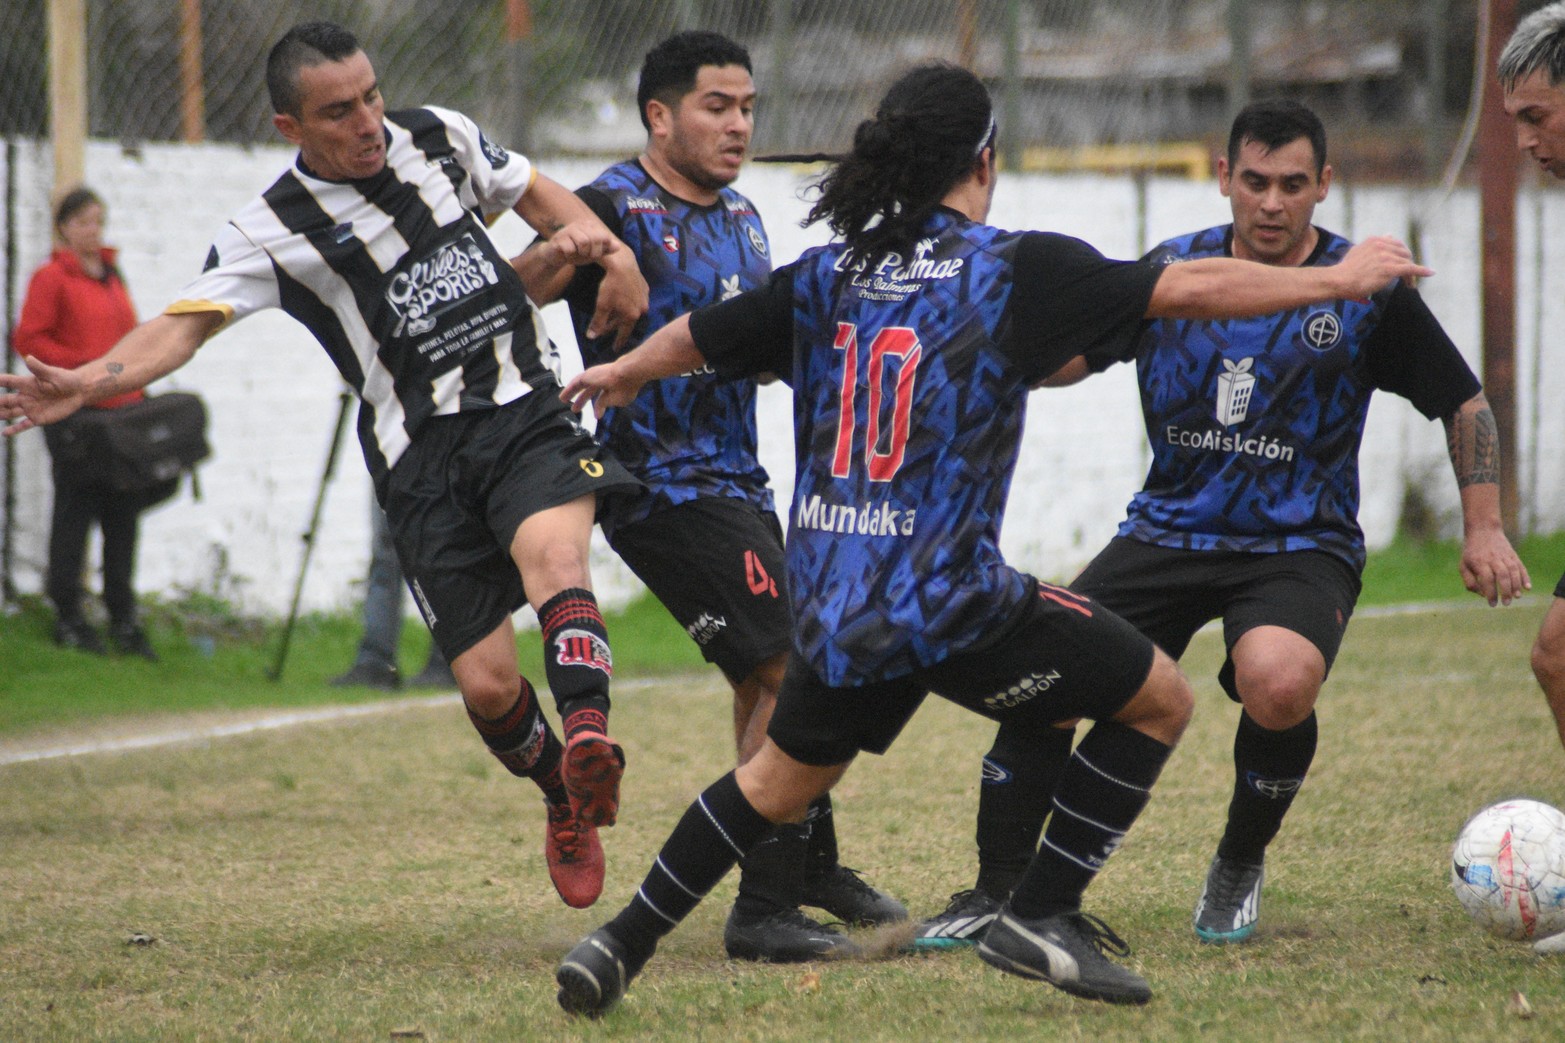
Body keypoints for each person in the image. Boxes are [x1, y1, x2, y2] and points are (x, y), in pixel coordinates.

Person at [549, 64, 1432, 1016]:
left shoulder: (827, 274)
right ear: (984, 158)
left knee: (769, 781)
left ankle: (616, 944)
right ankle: (1040, 912)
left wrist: (626, 370)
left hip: (840, 604)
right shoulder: (1009, 268)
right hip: (951, 598)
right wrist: (1336, 278)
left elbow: (705, 332)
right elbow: (1191, 287)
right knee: (1160, 700)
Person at [0, 22, 649, 912]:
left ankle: (587, 737)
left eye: (372, 95)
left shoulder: (440, 136)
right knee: (490, 686)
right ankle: (561, 793)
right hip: (420, 461)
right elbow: (181, 327)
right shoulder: (269, 231)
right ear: (289, 126)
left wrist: (610, 253)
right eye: (339, 111)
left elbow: (542, 197)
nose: (369, 122)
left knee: (557, 562)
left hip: (525, 414)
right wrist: (90, 378)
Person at [913, 98, 1528, 953]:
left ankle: (1238, 859)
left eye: (1289, 185)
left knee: (1277, 681)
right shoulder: (1175, 270)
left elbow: (1461, 400)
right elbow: (1067, 360)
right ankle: (994, 887)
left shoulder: (1361, 291)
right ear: (1222, 178)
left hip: (1296, 543)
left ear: (1322, 185)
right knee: (1043, 666)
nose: (1270, 203)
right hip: (1166, 531)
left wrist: (1484, 528)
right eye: (1253, 182)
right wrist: (984, 353)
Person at [515, 29, 903, 964]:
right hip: (660, 489)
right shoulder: (609, 204)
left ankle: (806, 862)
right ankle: (765, 906)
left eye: (748, 108)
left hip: (742, 482)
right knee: (785, 666)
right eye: (716, 107)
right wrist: (593, 254)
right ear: (660, 114)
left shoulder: (743, 217)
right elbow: (509, 293)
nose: (738, 126)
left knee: (783, 665)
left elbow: (745, 342)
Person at [14, 187, 158, 660]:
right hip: (75, 413)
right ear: (63, 229)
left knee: (124, 510)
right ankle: (69, 615)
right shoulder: (52, 277)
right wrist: (82, 372)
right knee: (75, 509)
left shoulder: (111, 274)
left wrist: (127, 377)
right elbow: (29, 338)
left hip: (119, 410)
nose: (92, 231)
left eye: (97, 221)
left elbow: (129, 338)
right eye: (82, 223)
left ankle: (123, 614)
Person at [332, 503, 455, 690]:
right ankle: (376, 661)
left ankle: (450, 659)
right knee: (387, 551)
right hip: (390, 474)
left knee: (440, 548)